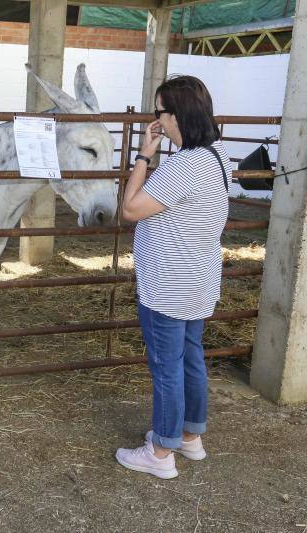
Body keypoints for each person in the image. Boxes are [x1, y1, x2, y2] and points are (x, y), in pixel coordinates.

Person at [115, 75, 232, 479]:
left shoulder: (184, 165)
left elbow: (130, 209)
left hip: (168, 283)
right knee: (190, 358)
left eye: (159, 112)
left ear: (176, 115)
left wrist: (144, 155)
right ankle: (189, 436)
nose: (156, 121)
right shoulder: (217, 156)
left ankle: (161, 451)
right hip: (197, 278)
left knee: (166, 366)